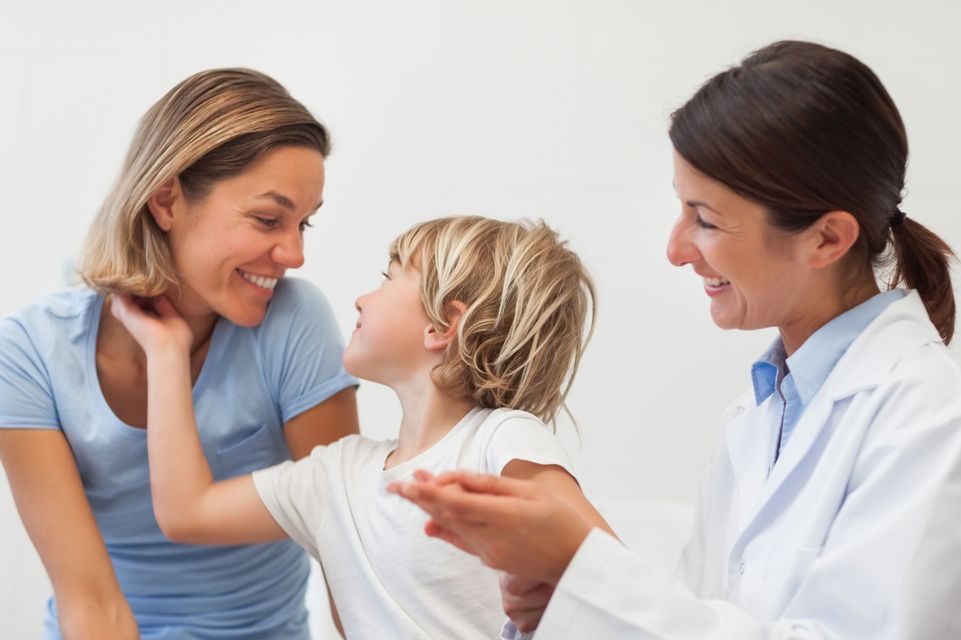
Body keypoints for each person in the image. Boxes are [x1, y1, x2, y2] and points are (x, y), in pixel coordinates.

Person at [390, 40, 961, 639]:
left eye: (706, 220)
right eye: (681, 209)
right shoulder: (761, 412)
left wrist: (587, 568)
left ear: (826, 239)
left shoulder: (927, 417)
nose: (676, 249)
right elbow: (701, 619)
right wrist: (566, 601)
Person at [109, 215, 614, 639]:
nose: (362, 300)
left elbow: (609, 575)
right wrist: (167, 352)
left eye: (388, 278)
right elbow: (186, 512)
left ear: (442, 326)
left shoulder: (498, 439)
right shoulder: (335, 475)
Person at [0, 68, 359, 639]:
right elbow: (91, 604)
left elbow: (348, 550)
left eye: (303, 224)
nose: (293, 254)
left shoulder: (294, 321)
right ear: (166, 200)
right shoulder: (30, 351)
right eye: (269, 219)